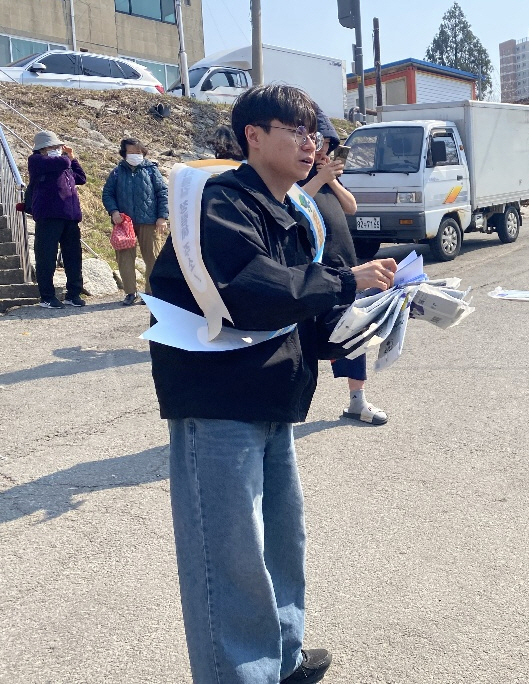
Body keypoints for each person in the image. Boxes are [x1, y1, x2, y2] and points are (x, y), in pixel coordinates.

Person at [148, 84, 397, 684]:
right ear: (253, 137)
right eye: (297, 131)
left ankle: (281, 657)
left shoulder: (293, 211)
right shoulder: (221, 204)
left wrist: (372, 318)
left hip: (272, 396)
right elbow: (250, 291)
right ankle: (240, 674)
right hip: (219, 399)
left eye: (315, 135)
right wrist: (347, 282)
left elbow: (300, 311)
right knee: (228, 555)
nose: (312, 145)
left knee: (283, 542)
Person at [299, 104, 388, 425]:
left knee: (354, 331)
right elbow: (294, 204)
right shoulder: (297, 174)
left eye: (328, 144)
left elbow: (351, 207)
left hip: (345, 265)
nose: (322, 150)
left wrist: (332, 180)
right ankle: (290, 408)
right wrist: (319, 177)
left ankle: (357, 400)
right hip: (314, 270)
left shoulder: (328, 176)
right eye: (318, 142)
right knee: (306, 339)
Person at [102, 138, 169, 306]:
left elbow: (163, 193)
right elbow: (107, 194)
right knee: (125, 258)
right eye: (131, 152)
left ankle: (152, 292)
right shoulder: (117, 172)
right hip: (124, 223)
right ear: (124, 153)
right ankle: (130, 293)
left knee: (153, 257)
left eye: (138, 152)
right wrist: (114, 211)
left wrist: (162, 217)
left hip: (150, 221)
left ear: (143, 153)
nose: (135, 155)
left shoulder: (152, 170)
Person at [27, 131, 87, 309]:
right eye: (52, 147)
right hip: (48, 216)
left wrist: (73, 158)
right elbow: (63, 162)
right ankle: (47, 297)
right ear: (41, 149)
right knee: (46, 257)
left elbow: (81, 178)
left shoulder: (63, 163)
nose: (57, 149)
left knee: (73, 257)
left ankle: (73, 294)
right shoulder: (36, 160)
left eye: (58, 147)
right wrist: (67, 158)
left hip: (70, 217)